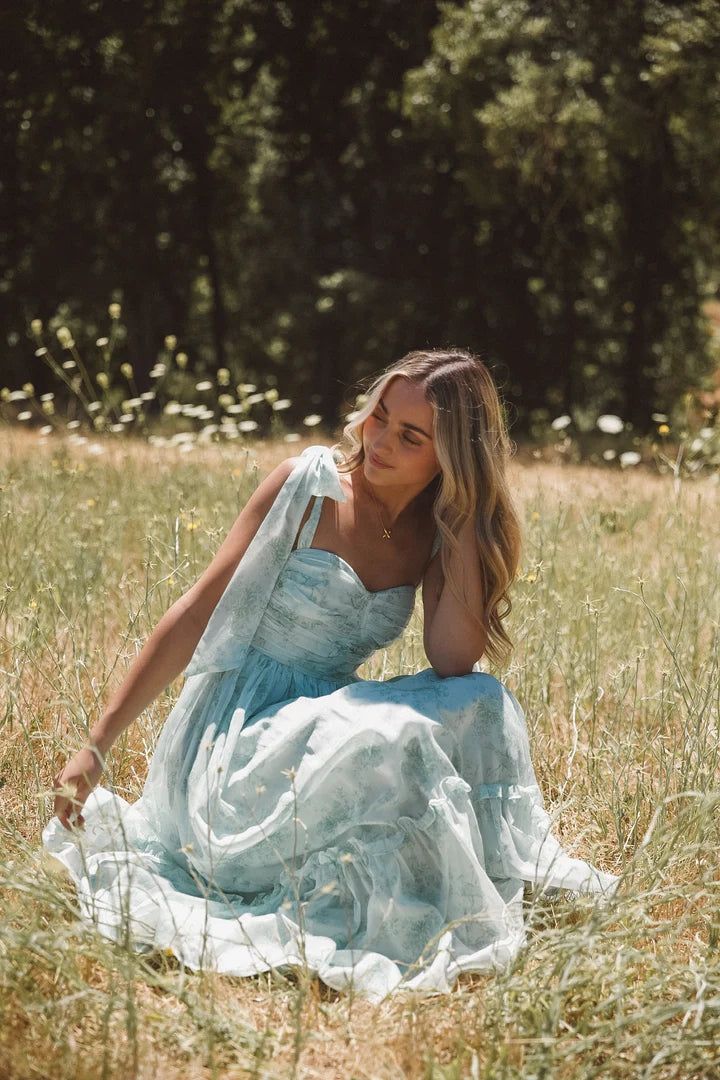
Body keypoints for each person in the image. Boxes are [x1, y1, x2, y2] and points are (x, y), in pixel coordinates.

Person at [43, 348, 620, 1003]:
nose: (380, 440)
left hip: (323, 722)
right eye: (379, 416)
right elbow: (195, 612)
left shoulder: (434, 530)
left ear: (453, 457)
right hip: (235, 741)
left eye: (411, 436)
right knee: (392, 737)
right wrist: (97, 745)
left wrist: (459, 522)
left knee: (484, 700)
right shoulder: (307, 487)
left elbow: (455, 661)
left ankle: (512, 876)